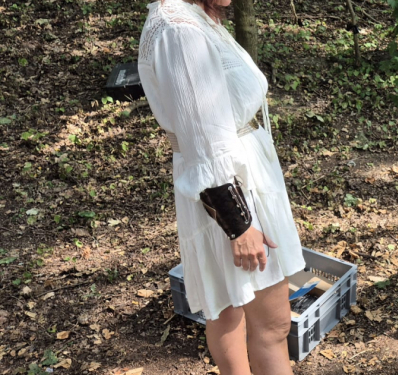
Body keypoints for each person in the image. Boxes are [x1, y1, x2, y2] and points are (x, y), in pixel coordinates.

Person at [138, 0, 305, 373]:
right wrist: (239, 224)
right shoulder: (179, 30)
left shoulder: (193, 16)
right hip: (229, 189)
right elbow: (202, 140)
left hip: (234, 179)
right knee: (272, 324)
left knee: (230, 309)